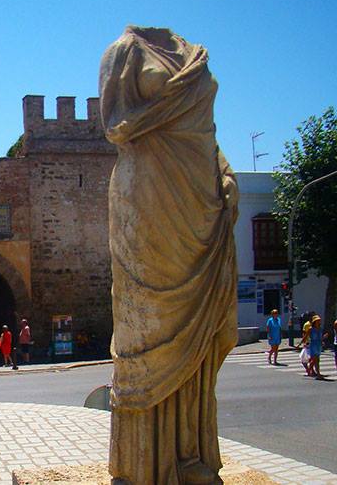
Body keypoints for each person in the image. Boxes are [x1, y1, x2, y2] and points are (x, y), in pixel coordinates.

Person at [100, 26, 240, 483]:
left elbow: (206, 134)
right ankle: (144, 462)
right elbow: (115, 125)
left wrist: (224, 172)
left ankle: (190, 454)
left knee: (201, 334)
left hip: (201, 202)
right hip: (148, 199)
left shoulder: (195, 54)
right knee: (145, 329)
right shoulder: (125, 51)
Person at [301, 315, 327, 380]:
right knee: (315, 359)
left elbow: (320, 338)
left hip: (319, 345)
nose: (319, 322)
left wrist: (323, 338)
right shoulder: (311, 329)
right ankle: (314, 372)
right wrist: (303, 343)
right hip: (313, 345)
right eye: (317, 321)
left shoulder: (320, 329)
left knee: (317, 360)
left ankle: (313, 371)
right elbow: (305, 336)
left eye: (319, 321)